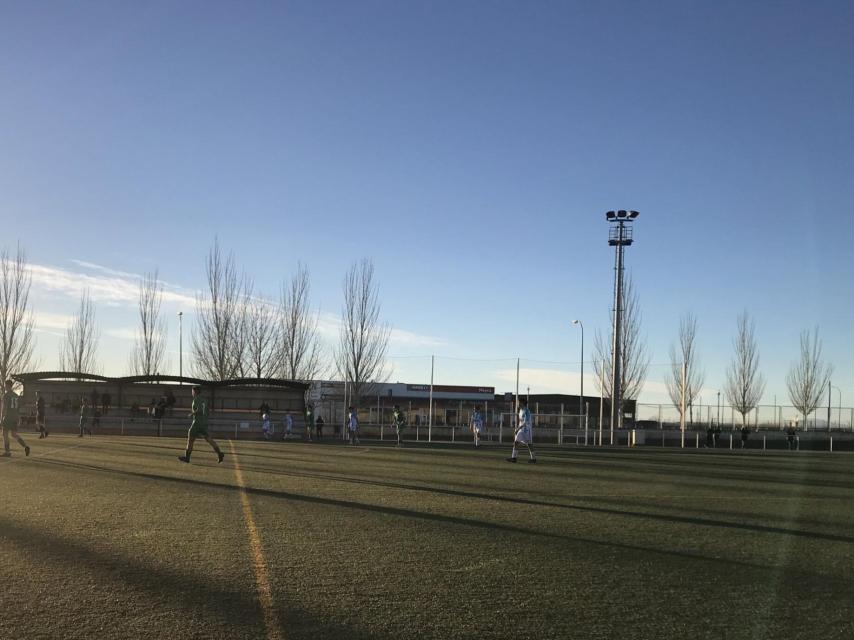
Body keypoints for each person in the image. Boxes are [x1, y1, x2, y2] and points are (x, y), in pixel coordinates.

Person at [179, 386, 224, 464]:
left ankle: (187, 457)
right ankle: (220, 453)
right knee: (209, 439)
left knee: (190, 439)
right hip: (204, 423)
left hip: (197, 423)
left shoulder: (196, 400)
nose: (192, 393)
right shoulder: (204, 400)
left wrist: (192, 414)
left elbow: (199, 410)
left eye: (192, 391)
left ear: (195, 392)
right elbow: (207, 411)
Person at [2, 380, 30, 457]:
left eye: (5, 385)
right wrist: (18, 417)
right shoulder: (16, 395)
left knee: (5, 434)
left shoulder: (6, 395)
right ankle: (25, 446)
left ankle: (7, 452)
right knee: (14, 434)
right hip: (15, 416)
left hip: (8, 417)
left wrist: (1, 418)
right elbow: (18, 408)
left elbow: (4, 408)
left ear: (7, 385)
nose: (5, 387)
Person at [506, 399, 536, 463]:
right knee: (516, 442)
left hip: (527, 430)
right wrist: (518, 428)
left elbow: (525, 422)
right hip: (521, 430)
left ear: (522, 403)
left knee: (529, 444)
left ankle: (533, 459)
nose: (517, 403)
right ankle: (514, 458)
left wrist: (518, 429)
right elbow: (521, 421)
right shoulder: (520, 410)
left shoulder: (527, 411)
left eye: (518, 402)